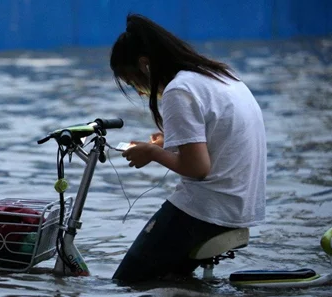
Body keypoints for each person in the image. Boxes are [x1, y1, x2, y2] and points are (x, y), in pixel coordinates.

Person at [110, 14, 267, 283]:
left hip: (207, 210)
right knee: (167, 278)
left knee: (127, 282)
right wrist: (168, 142)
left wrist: (152, 153)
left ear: (145, 65)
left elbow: (197, 169)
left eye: (132, 82)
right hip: (240, 204)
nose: (138, 92)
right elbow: (217, 136)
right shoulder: (218, 75)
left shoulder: (178, 91)